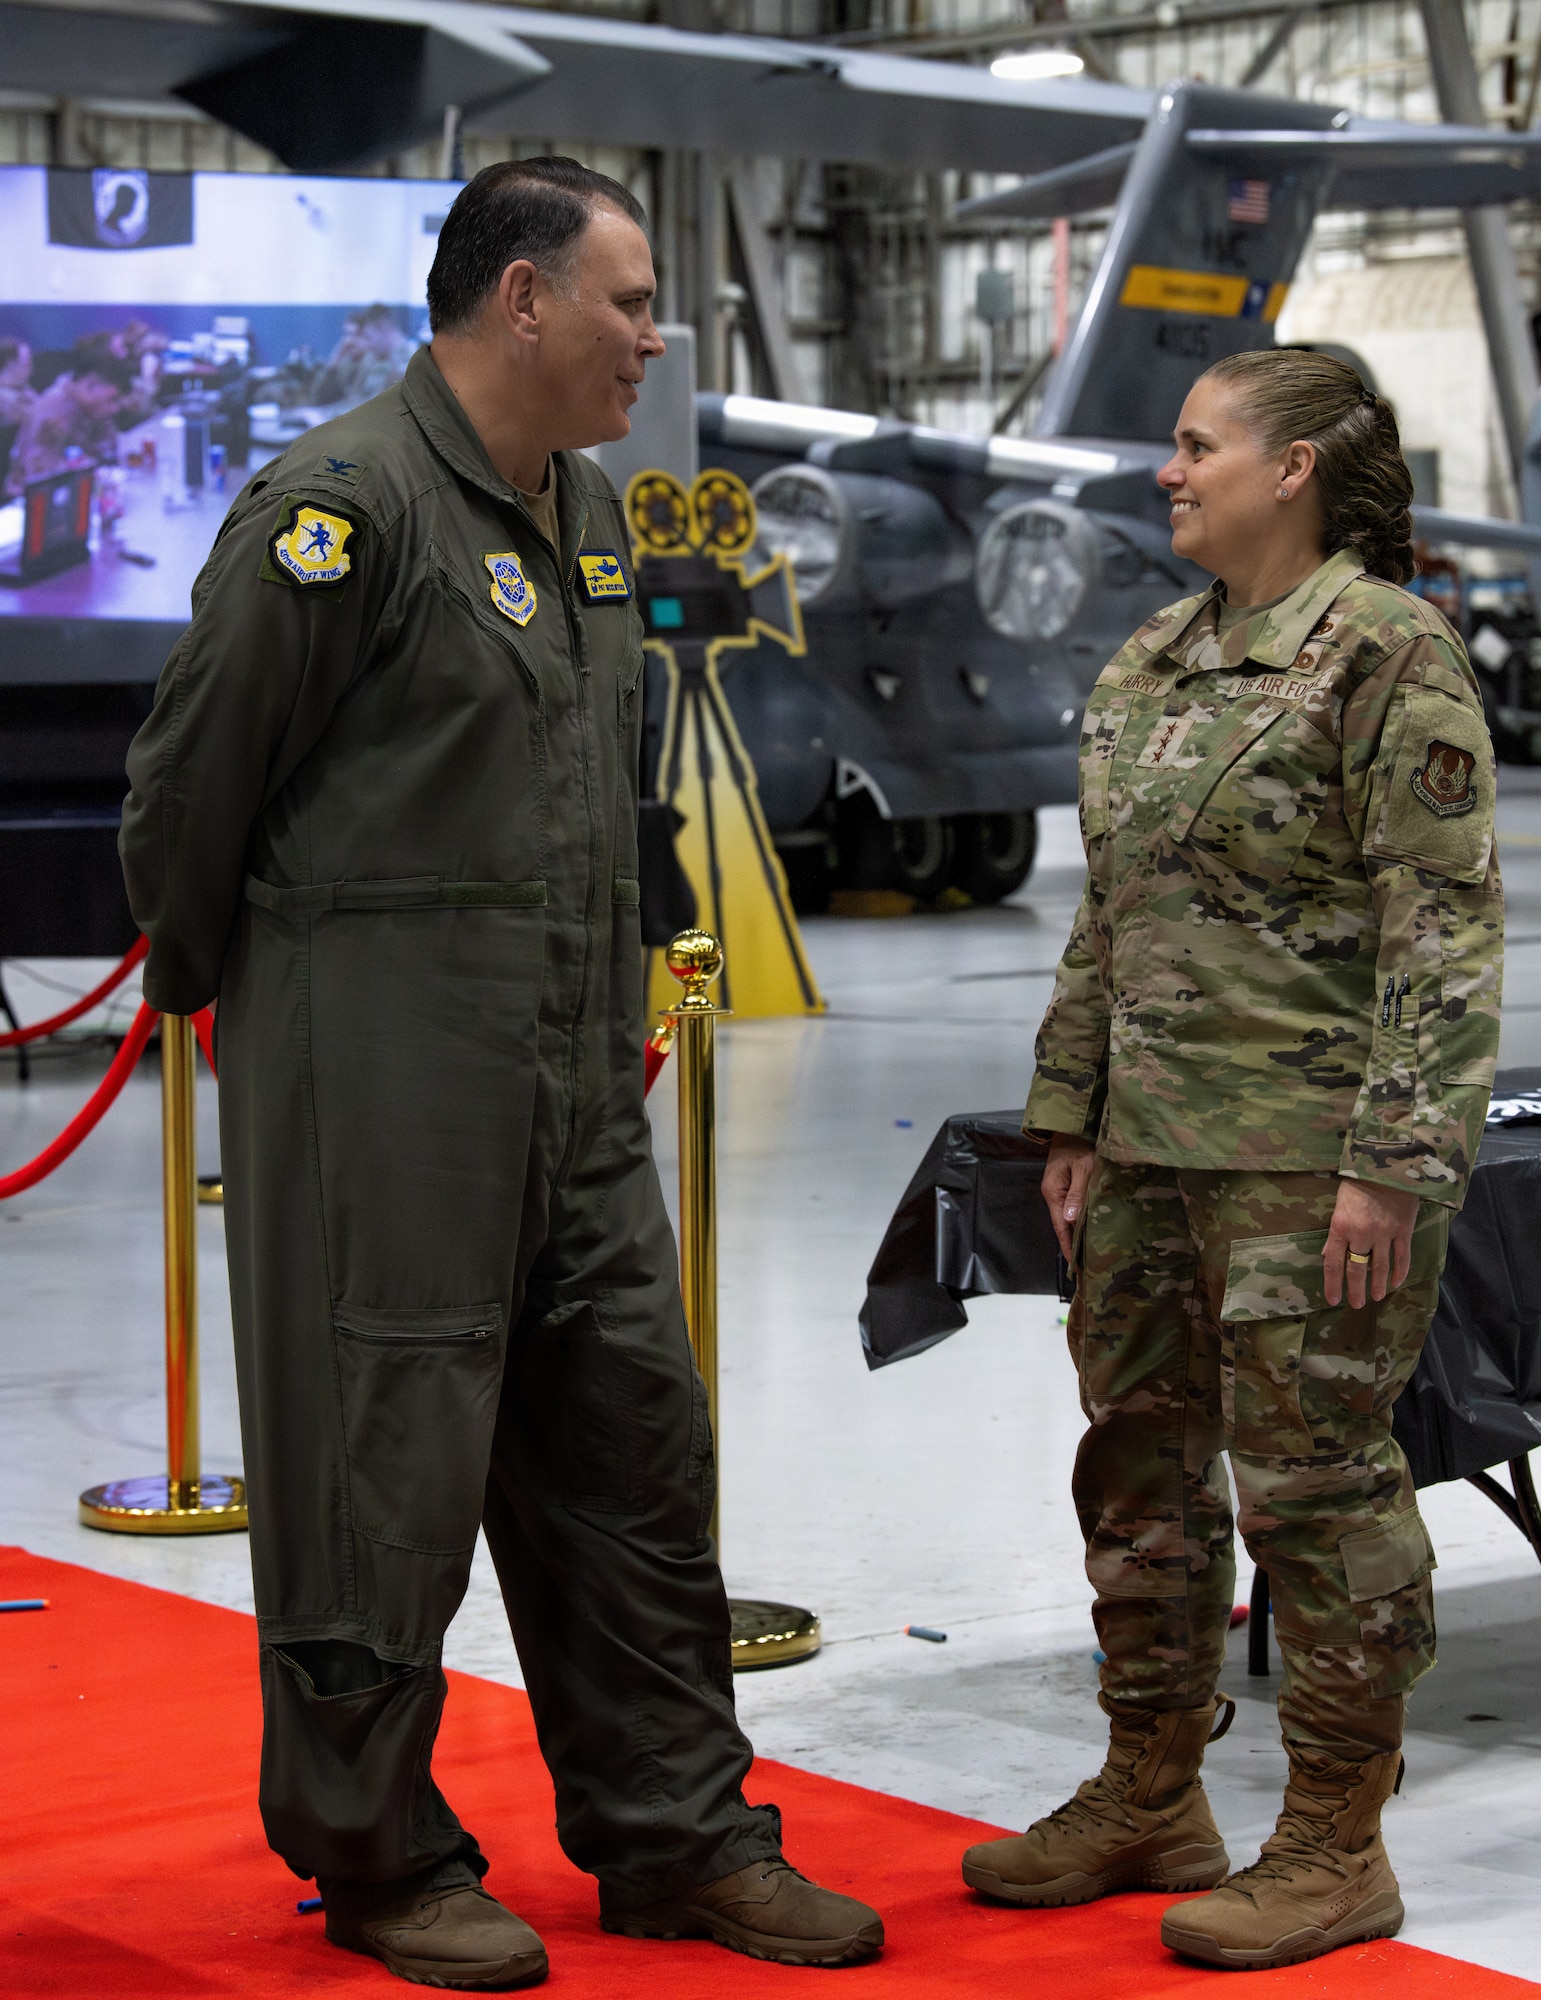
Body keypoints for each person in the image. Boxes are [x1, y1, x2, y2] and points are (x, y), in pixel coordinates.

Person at [120, 157, 882, 1992]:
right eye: (627, 300)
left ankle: (676, 1833)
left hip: (569, 1084)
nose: (652, 336)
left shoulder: (590, 519)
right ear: (522, 300)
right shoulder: (341, 506)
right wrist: (303, 1035)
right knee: (383, 1468)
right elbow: (183, 809)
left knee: (631, 1445)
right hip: (382, 1091)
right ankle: (378, 1857)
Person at [961, 350, 1502, 1970]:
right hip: (1146, 1161)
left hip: (1302, 1167)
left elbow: (1444, 941)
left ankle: (1336, 1847)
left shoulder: (1384, 655)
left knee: (1317, 1497)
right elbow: (1107, 921)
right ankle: (1149, 1793)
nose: (1167, 471)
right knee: (1134, 1471)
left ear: (1297, 469)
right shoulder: (1151, 664)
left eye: (1197, 446)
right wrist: (1066, 1114)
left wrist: (1394, 1167)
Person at [5, 345, 135, 495]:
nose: (115, 408)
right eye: (112, 399)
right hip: (32, 501)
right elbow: (42, 474)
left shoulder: (93, 407)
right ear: (89, 386)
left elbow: (108, 448)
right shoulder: (52, 412)